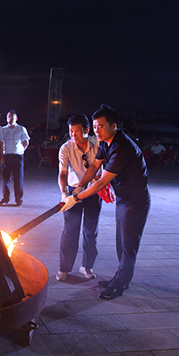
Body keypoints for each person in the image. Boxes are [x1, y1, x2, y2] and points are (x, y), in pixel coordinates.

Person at [61, 104, 150, 300]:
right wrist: (79, 187)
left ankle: (120, 284)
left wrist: (75, 198)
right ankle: (120, 278)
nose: (97, 131)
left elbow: (101, 182)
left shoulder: (121, 147)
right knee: (121, 242)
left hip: (135, 200)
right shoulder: (105, 143)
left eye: (101, 126)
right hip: (123, 199)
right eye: (95, 127)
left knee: (128, 245)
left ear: (114, 126)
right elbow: (94, 167)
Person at [56, 114, 102, 281]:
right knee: (70, 231)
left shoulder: (98, 144)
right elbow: (63, 173)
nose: (73, 135)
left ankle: (87, 266)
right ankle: (64, 268)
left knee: (91, 231)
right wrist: (64, 193)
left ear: (87, 130)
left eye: (76, 131)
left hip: (93, 192)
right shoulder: (66, 148)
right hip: (73, 192)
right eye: (71, 131)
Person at [0, 110, 30, 206]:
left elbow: (26, 142)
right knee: (6, 178)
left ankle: (18, 199)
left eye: (12, 117)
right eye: (8, 117)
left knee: (18, 179)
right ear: (6, 119)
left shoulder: (21, 129)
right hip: (6, 156)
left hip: (17, 156)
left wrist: (21, 150)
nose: (10, 119)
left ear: (16, 118)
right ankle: (5, 199)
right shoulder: (3, 130)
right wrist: (1, 156)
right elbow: (1, 143)